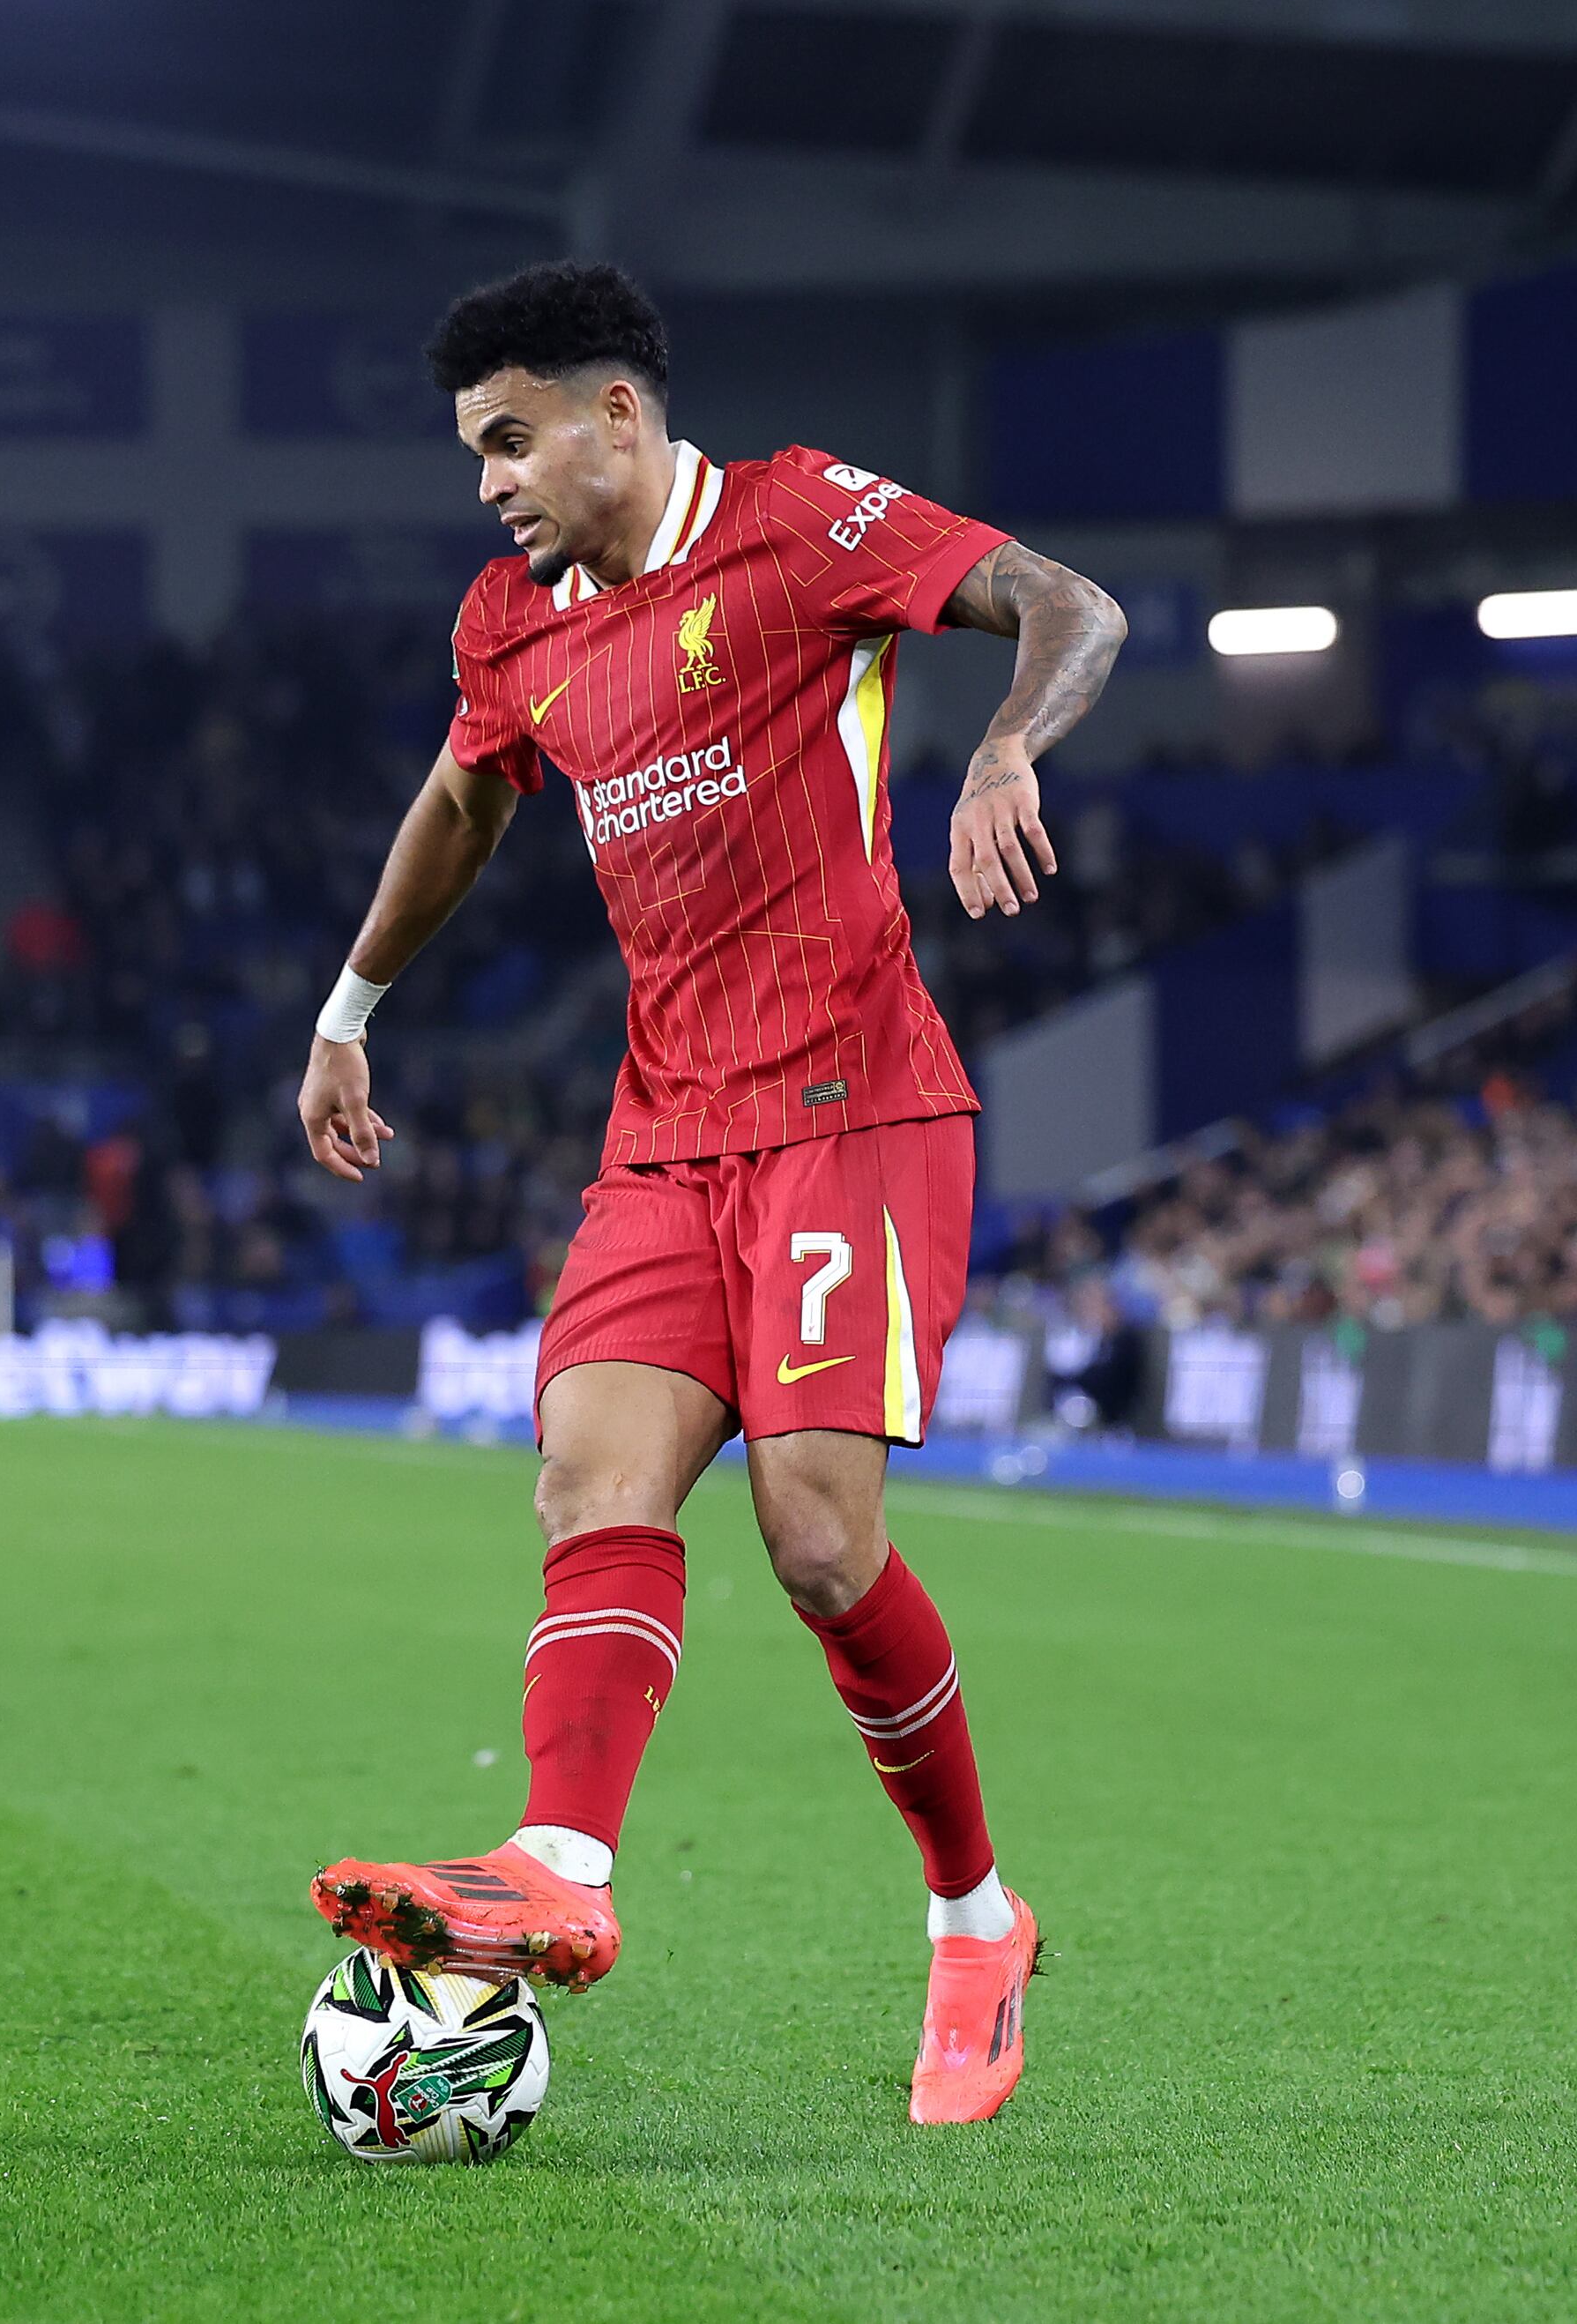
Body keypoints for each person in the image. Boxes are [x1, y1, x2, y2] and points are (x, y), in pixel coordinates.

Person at [297, 259, 1124, 2127]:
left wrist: (1004, 741)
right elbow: (462, 800)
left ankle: (974, 1918)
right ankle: (558, 1874)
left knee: (819, 1545)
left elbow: (1067, 605)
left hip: (851, 1107)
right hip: (666, 1130)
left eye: (507, 440)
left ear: (615, 415)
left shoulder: (798, 523)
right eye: (469, 453)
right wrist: (350, 1010)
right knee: (589, 1479)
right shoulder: (512, 624)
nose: (488, 483)